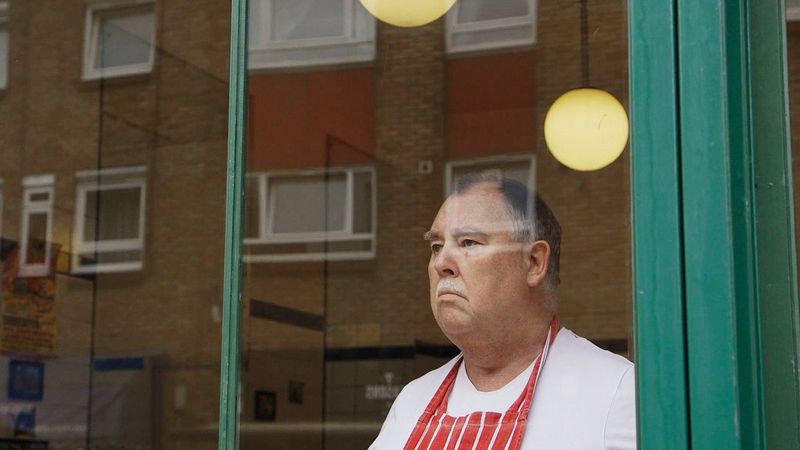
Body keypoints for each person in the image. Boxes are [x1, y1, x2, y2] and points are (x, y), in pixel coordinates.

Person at [370, 173, 636, 450]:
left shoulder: (615, 394)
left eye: (468, 242)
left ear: (534, 262)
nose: (442, 263)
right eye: (437, 246)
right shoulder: (413, 402)